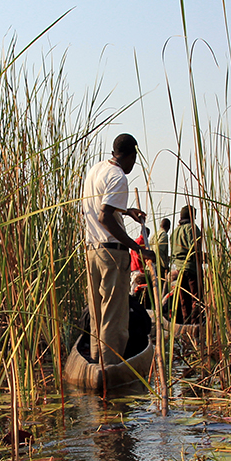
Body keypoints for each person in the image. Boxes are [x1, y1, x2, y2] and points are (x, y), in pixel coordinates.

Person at [81, 134, 148, 364]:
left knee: (97, 312)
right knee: (114, 315)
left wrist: (126, 210)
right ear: (131, 156)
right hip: (111, 254)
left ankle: (95, 360)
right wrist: (136, 248)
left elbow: (100, 208)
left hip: (92, 250)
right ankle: (109, 367)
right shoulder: (118, 176)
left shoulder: (96, 170)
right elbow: (104, 216)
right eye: (134, 160)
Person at [170, 205, 202, 324]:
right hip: (191, 268)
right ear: (192, 216)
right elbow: (195, 248)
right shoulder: (192, 228)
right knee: (196, 298)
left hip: (179, 269)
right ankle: (195, 325)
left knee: (184, 299)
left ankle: (186, 325)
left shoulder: (175, 231)